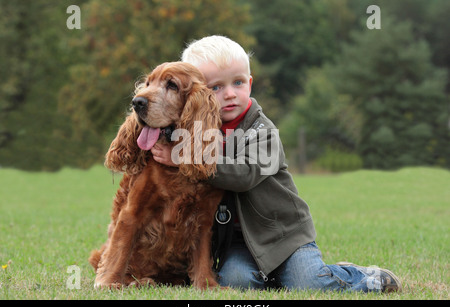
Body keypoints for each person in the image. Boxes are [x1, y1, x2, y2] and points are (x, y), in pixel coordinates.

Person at [150, 35, 401, 293]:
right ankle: (279, 279)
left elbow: (244, 174)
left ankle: (361, 276)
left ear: (250, 82)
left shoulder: (262, 131)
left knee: (308, 283)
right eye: (215, 87)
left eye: (238, 83)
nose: (229, 94)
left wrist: (182, 157)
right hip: (237, 244)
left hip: (283, 235)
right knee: (237, 283)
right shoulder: (196, 132)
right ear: (196, 94)